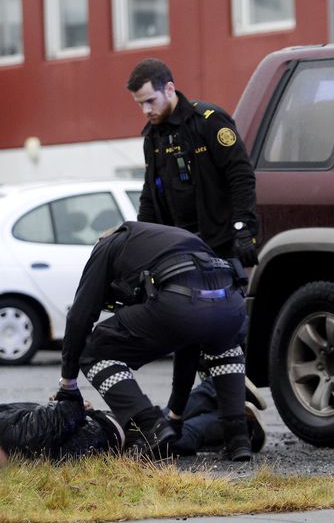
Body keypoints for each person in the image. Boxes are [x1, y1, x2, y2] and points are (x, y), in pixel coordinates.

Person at [58, 220, 253, 461]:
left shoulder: (105, 246)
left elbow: (80, 317)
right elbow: (188, 343)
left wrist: (67, 384)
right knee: (225, 345)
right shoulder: (171, 239)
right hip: (231, 303)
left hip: (176, 301)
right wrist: (175, 417)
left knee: (94, 350)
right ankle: (238, 438)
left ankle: (148, 425)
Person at [0, 378, 265, 468]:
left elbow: (57, 415)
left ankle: (233, 408)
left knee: (177, 438)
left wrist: (69, 408)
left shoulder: (13, 433)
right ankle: (223, 393)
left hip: (107, 433)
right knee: (166, 423)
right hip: (101, 431)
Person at [127, 58, 258, 267]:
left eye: (150, 101)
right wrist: (141, 240)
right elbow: (150, 196)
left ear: (169, 89)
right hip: (177, 248)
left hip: (221, 245)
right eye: (140, 104)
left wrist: (243, 228)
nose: (145, 110)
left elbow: (241, 175)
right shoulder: (153, 138)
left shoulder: (207, 120)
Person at [0, 389, 124, 468]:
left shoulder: (17, 434)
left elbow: (70, 408)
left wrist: (68, 408)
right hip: (101, 425)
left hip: (114, 432)